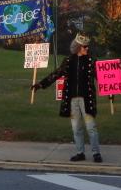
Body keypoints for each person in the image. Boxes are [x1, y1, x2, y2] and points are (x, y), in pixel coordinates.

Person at [32, 34, 102, 163]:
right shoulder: (69, 60)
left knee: (91, 127)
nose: (87, 49)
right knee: (76, 128)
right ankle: (80, 152)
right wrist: (41, 84)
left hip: (87, 99)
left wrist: (110, 91)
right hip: (72, 99)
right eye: (85, 47)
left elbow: (102, 78)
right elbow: (56, 74)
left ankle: (96, 153)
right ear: (78, 47)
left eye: (87, 47)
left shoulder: (92, 61)